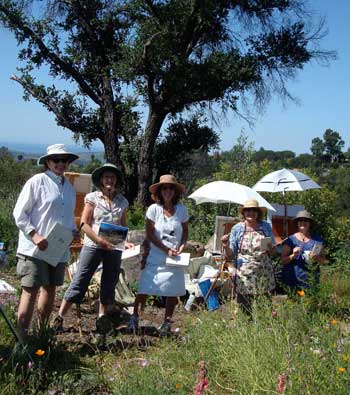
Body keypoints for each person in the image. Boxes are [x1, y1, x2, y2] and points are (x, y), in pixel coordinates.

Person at [55, 163, 134, 331]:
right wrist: (99, 240)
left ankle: (101, 319)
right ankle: (60, 317)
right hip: (93, 244)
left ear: (116, 180)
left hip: (113, 247)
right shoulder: (93, 198)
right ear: (100, 180)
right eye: (106, 177)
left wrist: (125, 241)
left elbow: (122, 225)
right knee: (81, 279)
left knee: (109, 281)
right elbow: (84, 223)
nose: (109, 180)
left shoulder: (122, 201)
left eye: (112, 177)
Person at [13, 144, 79, 336]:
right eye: (55, 160)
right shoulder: (37, 182)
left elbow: (68, 218)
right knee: (30, 290)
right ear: (48, 162)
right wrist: (34, 235)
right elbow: (19, 213)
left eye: (64, 160)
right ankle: (22, 338)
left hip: (57, 249)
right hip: (34, 248)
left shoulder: (69, 188)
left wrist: (73, 232)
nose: (60, 163)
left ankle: (41, 334)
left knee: (50, 289)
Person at [128, 174, 189, 335]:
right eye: (164, 188)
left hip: (174, 256)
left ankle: (166, 322)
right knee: (145, 287)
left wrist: (182, 245)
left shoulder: (182, 210)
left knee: (172, 290)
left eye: (171, 188)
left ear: (175, 191)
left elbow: (185, 232)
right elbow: (150, 233)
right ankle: (134, 317)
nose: (168, 191)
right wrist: (165, 249)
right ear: (160, 191)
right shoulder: (153, 209)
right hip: (155, 255)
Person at [222, 199, 275, 315]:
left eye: (254, 210)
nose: (251, 213)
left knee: (264, 304)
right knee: (245, 306)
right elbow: (231, 255)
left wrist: (271, 248)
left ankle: (265, 328)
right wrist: (225, 246)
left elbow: (273, 251)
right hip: (244, 273)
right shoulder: (237, 228)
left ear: (258, 213)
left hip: (264, 271)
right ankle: (247, 328)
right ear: (243, 213)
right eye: (248, 210)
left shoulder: (265, 226)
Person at [280, 210, 326, 290]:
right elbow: (282, 261)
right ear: (297, 223)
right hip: (292, 281)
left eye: (306, 220)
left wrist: (316, 258)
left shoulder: (317, 240)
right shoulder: (290, 240)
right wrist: (293, 256)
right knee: (294, 302)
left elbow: (324, 261)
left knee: (310, 302)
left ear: (310, 223)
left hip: (311, 281)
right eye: (300, 220)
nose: (303, 222)